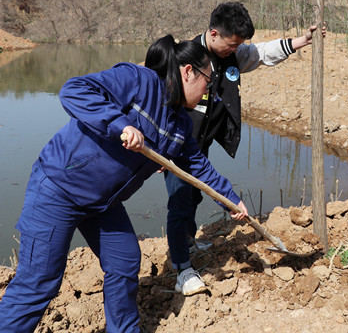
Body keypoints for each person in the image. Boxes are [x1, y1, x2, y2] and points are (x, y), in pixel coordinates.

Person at [0, 35, 249, 333]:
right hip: (58, 189)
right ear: (188, 72)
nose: (209, 90)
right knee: (39, 282)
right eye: (207, 81)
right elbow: (74, 90)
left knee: (124, 262)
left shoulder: (181, 125)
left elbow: (200, 169)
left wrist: (231, 200)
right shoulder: (137, 80)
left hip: (102, 203)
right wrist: (121, 124)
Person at [164, 1, 325, 295]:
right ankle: (182, 269)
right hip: (175, 145)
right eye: (232, 44)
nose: (236, 50)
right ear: (213, 34)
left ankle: (188, 238)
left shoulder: (232, 55)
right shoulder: (185, 57)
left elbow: (262, 53)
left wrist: (301, 41)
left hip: (202, 143)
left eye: (239, 45)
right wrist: (159, 145)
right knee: (179, 201)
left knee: (195, 194)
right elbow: (159, 101)